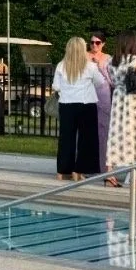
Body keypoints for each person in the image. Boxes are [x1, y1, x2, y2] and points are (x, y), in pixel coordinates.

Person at [53, 37, 107, 181]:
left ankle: (62, 170)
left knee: (66, 138)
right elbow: (100, 82)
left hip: (66, 104)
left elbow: (56, 86)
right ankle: (80, 170)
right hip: (86, 104)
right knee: (87, 139)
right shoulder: (90, 66)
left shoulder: (61, 66)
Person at [106, 33, 136, 187]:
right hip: (133, 99)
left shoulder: (111, 61)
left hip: (118, 98)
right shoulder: (135, 60)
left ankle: (109, 171)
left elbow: (112, 81)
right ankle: (134, 175)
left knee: (115, 133)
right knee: (135, 134)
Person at [89, 33, 114, 171]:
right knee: (87, 131)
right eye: (92, 42)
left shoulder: (108, 58)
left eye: (97, 43)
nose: (94, 45)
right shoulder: (85, 56)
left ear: (103, 44)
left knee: (103, 131)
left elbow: (112, 80)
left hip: (103, 96)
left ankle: (104, 165)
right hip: (87, 95)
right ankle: (88, 164)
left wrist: (99, 67)